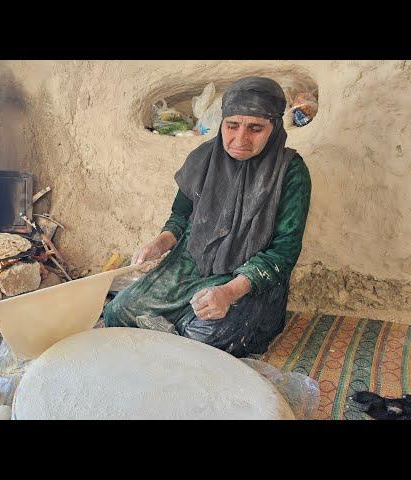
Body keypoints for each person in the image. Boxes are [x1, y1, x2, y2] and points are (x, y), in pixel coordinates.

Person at [103, 76, 312, 358]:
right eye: (232, 125)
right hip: (192, 261)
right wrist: (161, 243)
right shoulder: (203, 158)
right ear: (222, 123)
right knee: (119, 310)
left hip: (245, 276)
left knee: (202, 337)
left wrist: (227, 293)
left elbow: (283, 252)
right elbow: (181, 216)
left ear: (274, 128)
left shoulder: (290, 172)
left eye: (255, 128)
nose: (240, 139)